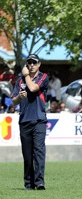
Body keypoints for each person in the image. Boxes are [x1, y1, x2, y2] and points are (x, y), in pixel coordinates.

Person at [11, 54, 49, 190]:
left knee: (39, 152)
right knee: (27, 156)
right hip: (24, 120)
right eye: (29, 63)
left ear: (39, 64)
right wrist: (19, 98)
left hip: (39, 120)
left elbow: (33, 88)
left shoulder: (43, 77)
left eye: (34, 63)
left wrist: (26, 76)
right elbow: (13, 101)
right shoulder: (20, 81)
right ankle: (28, 183)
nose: (32, 65)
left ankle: (39, 183)